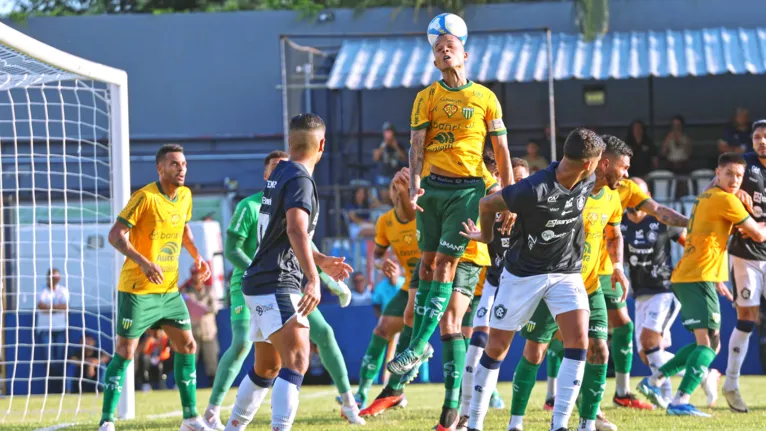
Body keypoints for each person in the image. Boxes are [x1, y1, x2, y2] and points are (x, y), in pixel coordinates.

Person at [389, 31, 513, 430]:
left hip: (468, 198)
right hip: (435, 193)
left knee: (443, 272)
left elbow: (503, 152)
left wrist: (508, 195)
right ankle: (448, 404)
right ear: (434, 59)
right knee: (428, 273)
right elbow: (415, 144)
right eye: (437, 48)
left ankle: (418, 350)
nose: (443, 50)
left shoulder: (486, 98)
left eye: (450, 46)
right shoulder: (426, 97)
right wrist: (417, 182)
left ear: (464, 53)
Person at [207, 149, 361, 429]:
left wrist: (324, 267)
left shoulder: (284, 199)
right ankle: (212, 411)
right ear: (266, 174)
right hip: (268, 283)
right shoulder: (254, 204)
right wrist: (315, 279)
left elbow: (300, 241)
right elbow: (289, 236)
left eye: (285, 165)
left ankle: (349, 402)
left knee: (269, 365)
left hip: (274, 285)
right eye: (276, 167)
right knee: (292, 358)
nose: (282, 170)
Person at [462, 128, 605, 431]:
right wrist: (486, 235)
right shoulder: (532, 189)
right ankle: (474, 423)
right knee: (497, 347)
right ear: (589, 163)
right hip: (523, 274)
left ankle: (560, 425)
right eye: (600, 161)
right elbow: (487, 205)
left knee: (579, 341)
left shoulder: (587, 180)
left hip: (566, 272)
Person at [504, 134, 631, 431]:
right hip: (551, 282)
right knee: (535, 352)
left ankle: (588, 421)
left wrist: (618, 266)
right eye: (623, 168)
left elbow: (614, 234)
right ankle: (516, 422)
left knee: (599, 348)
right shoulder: (569, 190)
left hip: (589, 285)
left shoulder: (613, 197)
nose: (625, 176)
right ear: (605, 163)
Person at [360, 163, 499, 428]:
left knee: (453, 325)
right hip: (430, 258)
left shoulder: (472, 164)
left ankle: (453, 408)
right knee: (408, 316)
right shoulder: (426, 168)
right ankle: (393, 390)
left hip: (465, 256)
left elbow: (498, 193)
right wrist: (411, 181)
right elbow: (380, 253)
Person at [638, 153, 766, 417]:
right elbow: (758, 234)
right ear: (717, 174)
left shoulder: (706, 197)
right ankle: (679, 401)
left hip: (693, 275)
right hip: (698, 276)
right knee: (709, 345)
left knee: (707, 343)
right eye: (728, 173)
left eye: (739, 176)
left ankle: (654, 380)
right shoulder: (725, 199)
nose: (734, 180)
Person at [98, 144, 214, 431]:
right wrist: (144, 262)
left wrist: (197, 256)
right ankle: (106, 422)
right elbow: (115, 235)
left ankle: (190, 418)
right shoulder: (144, 197)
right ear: (160, 168)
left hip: (169, 292)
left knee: (187, 345)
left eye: (184, 164)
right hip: (137, 291)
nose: (181, 168)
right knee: (125, 352)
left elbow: (184, 228)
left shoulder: (185, 195)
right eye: (174, 164)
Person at [593, 137, 690, 410]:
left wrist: (695, 222)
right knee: (644, 352)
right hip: (609, 280)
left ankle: (633, 392)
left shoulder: (636, 201)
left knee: (634, 335)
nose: (626, 178)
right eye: (623, 168)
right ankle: (700, 371)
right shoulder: (601, 200)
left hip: (652, 286)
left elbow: (665, 216)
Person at [623, 178, 718, 408]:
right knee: (647, 353)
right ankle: (704, 373)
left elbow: (689, 245)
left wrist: (695, 271)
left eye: (640, 197)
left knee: (649, 340)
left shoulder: (661, 220)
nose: (635, 202)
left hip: (665, 289)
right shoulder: (618, 223)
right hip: (640, 292)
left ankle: (663, 392)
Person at [458, 157, 529, 429]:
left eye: (525, 180)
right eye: (515, 179)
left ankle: (579, 406)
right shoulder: (488, 206)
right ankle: (466, 416)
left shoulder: (533, 208)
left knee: (558, 346)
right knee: (477, 347)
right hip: (494, 284)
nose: (519, 184)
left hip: (528, 285)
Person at [723, 119, 766, 413]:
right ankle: (732, 384)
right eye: (757, 137)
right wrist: (732, 190)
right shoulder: (744, 164)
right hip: (746, 252)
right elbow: (719, 182)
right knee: (747, 316)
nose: (762, 141)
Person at [37, 267, 69, 390]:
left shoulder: (63, 290)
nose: (56, 279)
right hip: (45, 328)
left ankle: (60, 387)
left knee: (60, 358)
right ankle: (50, 387)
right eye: (54, 276)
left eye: (58, 277)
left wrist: (49, 307)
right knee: (49, 358)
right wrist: (56, 308)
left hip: (60, 328)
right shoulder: (42, 290)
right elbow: (41, 307)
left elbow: (65, 306)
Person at [374, 121, 408, 185]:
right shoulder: (379, 144)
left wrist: (396, 147)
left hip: (396, 174)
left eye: (390, 131)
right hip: (383, 174)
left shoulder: (399, 145)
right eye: (386, 132)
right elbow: (376, 158)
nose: (388, 134)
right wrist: (383, 146)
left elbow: (404, 158)